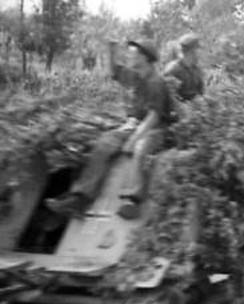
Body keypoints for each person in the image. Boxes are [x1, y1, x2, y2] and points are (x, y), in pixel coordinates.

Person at [45, 38, 173, 220]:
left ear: (145, 57)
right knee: (104, 143)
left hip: (157, 129)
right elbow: (114, 71)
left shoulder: (156, 82)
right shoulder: (136, 76)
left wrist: (134, 138)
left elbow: (154, 117)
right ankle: (80, 198)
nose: (129, 55)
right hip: (136, 124)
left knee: (140, 148)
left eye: (133, 52)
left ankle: (133, 200)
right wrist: (110, 50)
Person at [164, 33, 204, 101]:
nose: (200, 53)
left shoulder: (196, 70)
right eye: (197, 50)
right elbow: (168, 97)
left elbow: (201, 93)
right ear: (191, 51)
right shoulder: (173, 69)